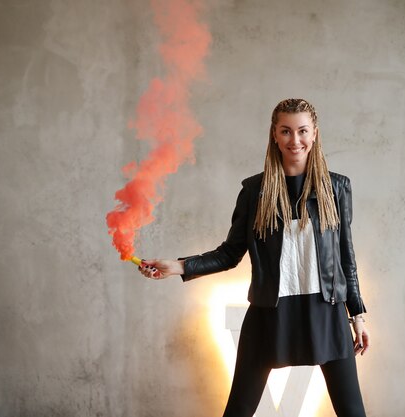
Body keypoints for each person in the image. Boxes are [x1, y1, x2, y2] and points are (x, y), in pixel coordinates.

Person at [138, 98, 370, 417]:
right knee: (239, 410)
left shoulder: (337, 188)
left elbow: (346, 257)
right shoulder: (254, 191)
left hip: (327, 314)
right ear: (274, 134)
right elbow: (230, 253)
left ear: (315, 133)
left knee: (352, 412)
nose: (295, 140)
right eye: (286, 131)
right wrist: (179, 266)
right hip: (269, 316)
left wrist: (357, 316)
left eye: (302, 131)